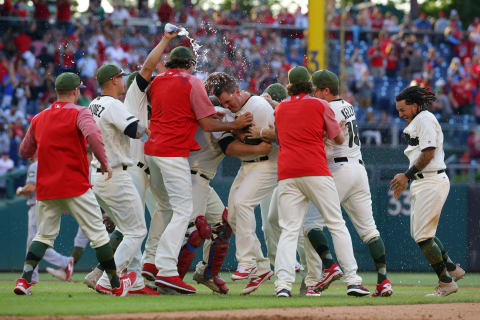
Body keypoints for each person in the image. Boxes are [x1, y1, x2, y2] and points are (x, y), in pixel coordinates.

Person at [14, 72, 134, 296]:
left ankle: (24, 281)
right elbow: (93, 135)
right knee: (99, 236)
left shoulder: (38, 118)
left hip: (47, 188)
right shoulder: (80, 111)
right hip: (75, 185)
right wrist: (105, 162)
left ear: (57, 92)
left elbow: (24, 151)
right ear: (75, 91)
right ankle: (116, 285)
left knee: (43, 236)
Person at [145, 47, 252, 294]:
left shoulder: (170, 87)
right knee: (194, 229)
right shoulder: (217, 114)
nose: (222, 104)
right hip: (188, 173)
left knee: (222, 226)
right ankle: (167, 278)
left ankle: (206, 273)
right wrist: (239, 127)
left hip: (192, 174)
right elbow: (227, 144)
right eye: (219, 100)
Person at [273, 66, 364, 297]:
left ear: (290, 84)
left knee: (289, 230)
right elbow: (339, 137)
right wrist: (327, 132)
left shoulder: (281, 108)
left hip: (287, 172)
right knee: (336, 224)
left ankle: (282, 285)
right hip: (315, 169)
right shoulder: (320, 104)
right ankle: (352, 280)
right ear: (310, 85)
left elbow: (280, 135)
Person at [303, 69, 392, 297]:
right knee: (369, 230)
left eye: (316, 90)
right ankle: (383, 281)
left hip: (338, 168)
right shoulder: (347, 105)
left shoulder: (325, 107)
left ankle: (331, 267)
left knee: (312, 224)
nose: (314, 94)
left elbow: (319, 139)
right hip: (358, 169)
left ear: (326, 90)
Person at [206, 72, 277, 295]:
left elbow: (265, 142)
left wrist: (236, 130)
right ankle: (263, 267)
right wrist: (234, 127)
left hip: (269, 162)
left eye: (229, 100)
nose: (227, 105)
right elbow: (231, 147)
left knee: (243, 203)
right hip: (248, 164)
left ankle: (247, 262)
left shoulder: (258, 106)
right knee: (233, 215)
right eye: (223, 102)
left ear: (238, 91)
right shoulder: (227, 112)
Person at [390, 86, 465, 297]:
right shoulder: (418, 120)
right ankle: (452, 269)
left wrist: (406, 175)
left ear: (415, 105)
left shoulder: (424, 119)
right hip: (423, 181)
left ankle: (446, 283)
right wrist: (409, 177)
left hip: (432, 179)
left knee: (423, 236)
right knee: (421, 234)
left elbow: (429, 153)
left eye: (403, 110)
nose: (400, 114)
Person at [88, 64, 153, 295]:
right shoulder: (113, 104)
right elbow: (134, 130)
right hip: (115, 174)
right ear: (114, 80)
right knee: (137, 232)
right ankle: (108, 280)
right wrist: (146, 128)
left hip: (99, 175)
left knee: (128, 230)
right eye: (121, 78)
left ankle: (132, 280)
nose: (123, 81)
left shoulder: (94, 103)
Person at [16, 154, 74, 284]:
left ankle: (65, 262)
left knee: (36, 243)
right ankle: (33, 276)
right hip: (48, 204)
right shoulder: (50, 164)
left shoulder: (35, 165)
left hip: (38, 206)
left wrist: (20, 190)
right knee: (35, 242)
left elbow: (30, 188)